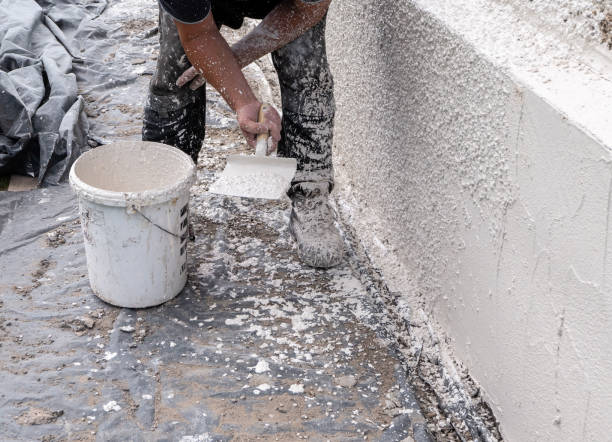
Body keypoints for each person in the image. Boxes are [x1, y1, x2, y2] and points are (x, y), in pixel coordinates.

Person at [143, 0, 344, 268]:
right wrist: (243, 100)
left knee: (307, 72)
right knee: (176, 73)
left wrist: (234, 58)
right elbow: (198, 34)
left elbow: (306, 10)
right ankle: (164, 197)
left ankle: (311, 191)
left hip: (293, 3)